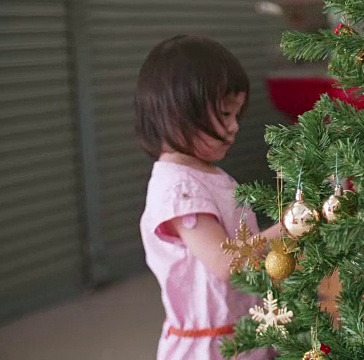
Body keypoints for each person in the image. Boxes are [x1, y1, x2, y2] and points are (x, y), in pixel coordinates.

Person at [134, 34, 280, 360]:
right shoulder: (178, 188)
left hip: (242, 335)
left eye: (236, 116)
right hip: (210, 348)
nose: (235, 127)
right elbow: (227, 264)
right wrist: (286, 230)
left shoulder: (206, 174)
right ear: (179, 114)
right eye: (225, 115)